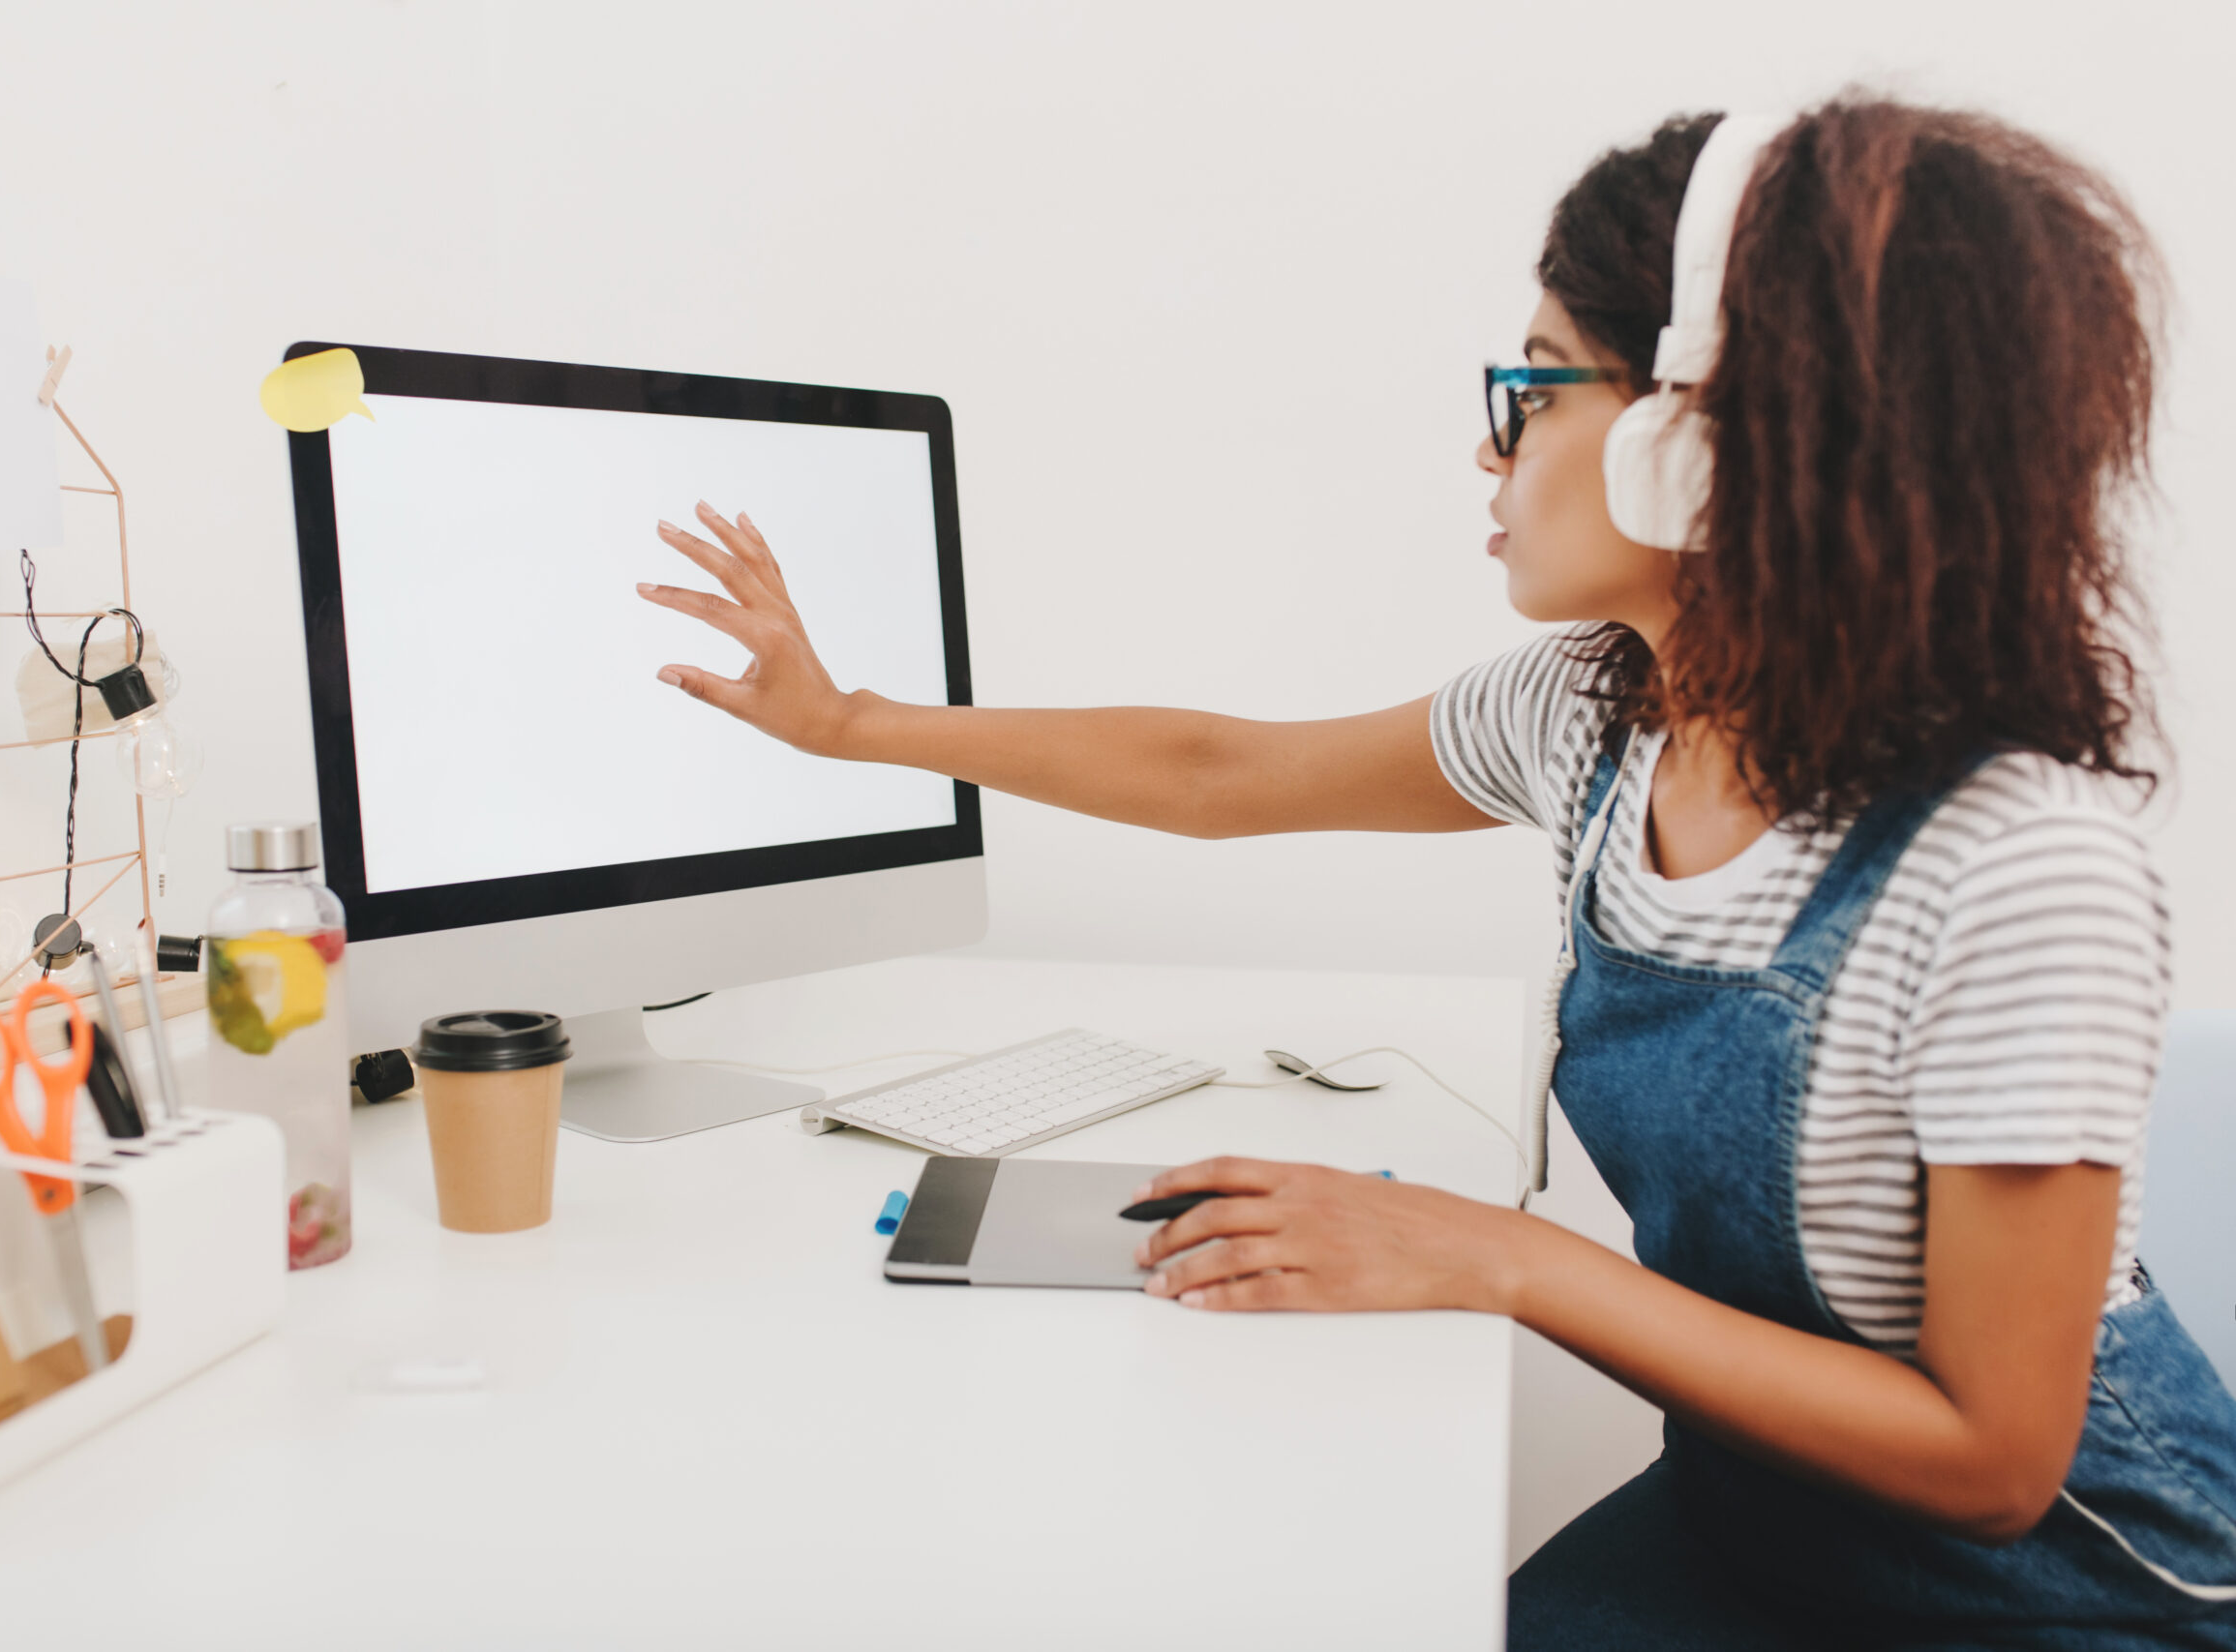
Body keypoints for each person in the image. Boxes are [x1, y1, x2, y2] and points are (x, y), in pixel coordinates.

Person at [637, 95, 2236, 1647]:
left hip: (2066, 1597)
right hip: (1760, 1519)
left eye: (1537, 387)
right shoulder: (1591, 715)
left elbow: (1992, 1462)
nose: (1495, 450)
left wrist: (1500, 1260)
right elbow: (1222, 773)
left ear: (1706, 436)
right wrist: (850, 723)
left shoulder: (2021, 867)